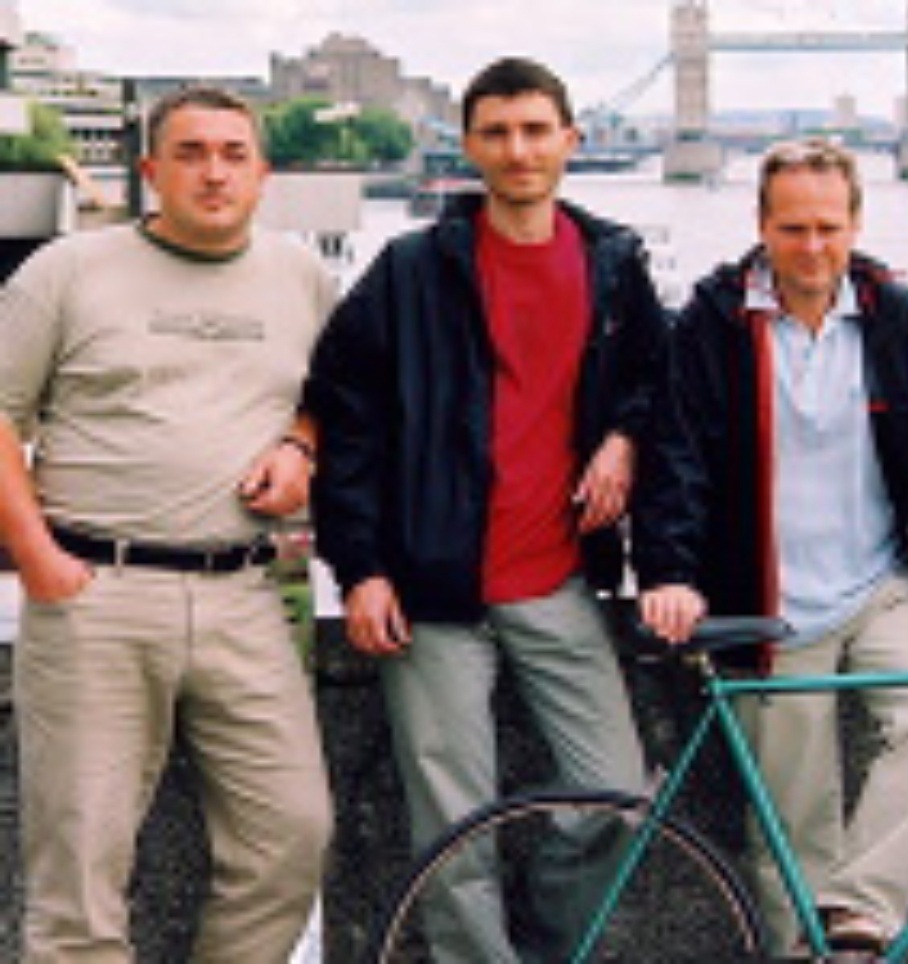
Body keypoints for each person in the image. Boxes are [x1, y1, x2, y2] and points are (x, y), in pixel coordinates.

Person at [633, 138, 908, 957]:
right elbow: (674, 457)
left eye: (829, 227)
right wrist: (669, 573)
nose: (812, 247)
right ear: (761, 224)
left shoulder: (900, 315)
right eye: (792, 228)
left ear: (857, 223)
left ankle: (856, 913)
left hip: (880, 583)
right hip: (767, 600)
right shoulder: (711, 324)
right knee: (792, 831)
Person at [304, 57, 662, 961]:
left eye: (536, 130)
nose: (518, 150)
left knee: (617, 800)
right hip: (432, 592)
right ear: (468, 146)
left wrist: (625, 436)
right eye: (497, 133)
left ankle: (543, 943)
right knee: (453, 835)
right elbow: (346, 421)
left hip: (558, 580)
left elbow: (658, 385)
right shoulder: (410, 270)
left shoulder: (615, 264)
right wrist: (362, 569)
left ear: (572, 139)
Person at [0, 86, 334, 963]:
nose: (213, 173)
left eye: (233, 154)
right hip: (94, 596)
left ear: (263, 174)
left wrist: (300, 444)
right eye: (190, 153)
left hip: (245, 594)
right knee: (79, 875)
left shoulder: (302, 278)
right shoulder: (67, 271)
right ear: (150, 171)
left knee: (291, 838)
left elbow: (335, 396)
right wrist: (36, 556)